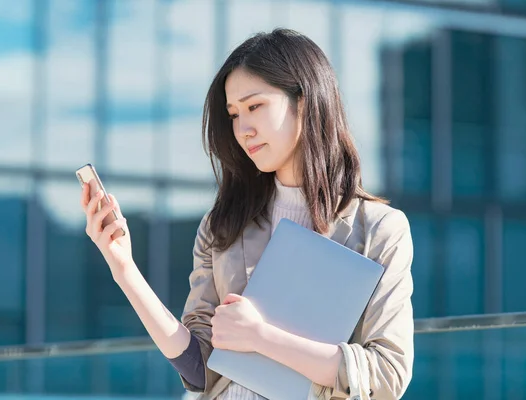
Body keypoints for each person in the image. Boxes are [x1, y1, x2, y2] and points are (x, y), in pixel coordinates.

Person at [80, 28, 414, 400]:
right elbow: (199, 370)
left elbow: (387, 375)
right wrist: (124, 268)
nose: (243, 129)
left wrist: (261, 337)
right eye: (234, 114)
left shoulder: (379, 230)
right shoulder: (222, 225)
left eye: (255, 106)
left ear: (303, 101)